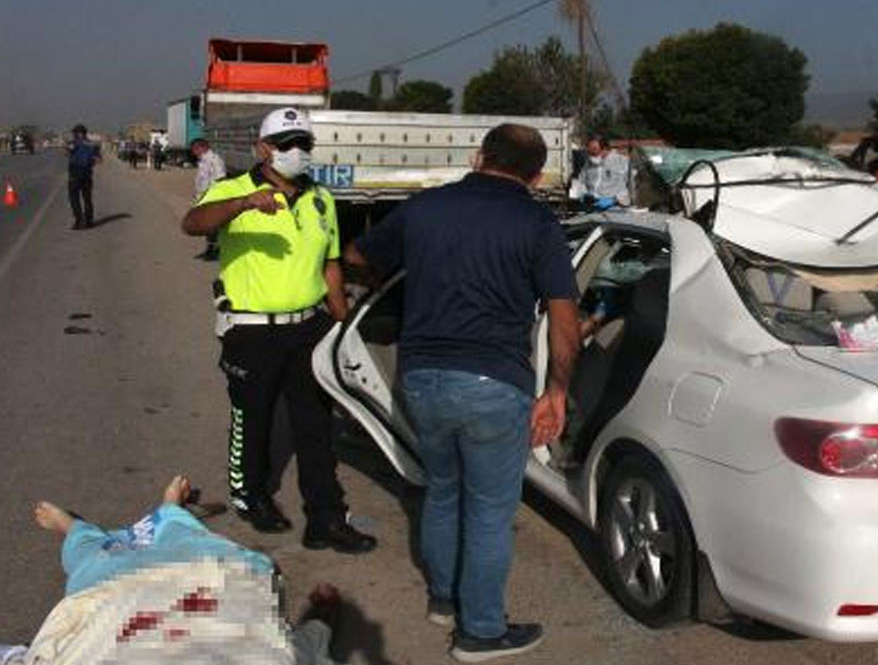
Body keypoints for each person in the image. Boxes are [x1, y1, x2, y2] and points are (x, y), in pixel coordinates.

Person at [345, 123, 580, 661]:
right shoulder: (538, 223)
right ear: (536, 175)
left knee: (442, 492)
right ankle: (480, 631)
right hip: (494, 384)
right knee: (490, 512)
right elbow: (565, 319)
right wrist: (557, 391)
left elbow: (357, 255)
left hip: (422, 377)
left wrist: (408, 275)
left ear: (479, 157)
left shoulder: (424, 210)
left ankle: (443, 600)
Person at [180, 107, 375, 554]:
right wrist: (245, 204)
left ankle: (325, 517)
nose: (297, 152)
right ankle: (250, 496)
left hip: (310, 327)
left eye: (304, 143)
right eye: (287, 143)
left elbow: (330, 263)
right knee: (254, 419)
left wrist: (343, 321)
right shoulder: (233, 189)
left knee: (314, 425)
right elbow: (192, 224)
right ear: (263, 149)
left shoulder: (321, 198)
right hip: (251, 330)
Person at [4, 475, 351, 664]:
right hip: (208, 578)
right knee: (98, 558)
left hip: (186, 582)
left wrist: (321, 621)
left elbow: (297, 650)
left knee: (94, 558)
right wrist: (321, 622)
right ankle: (168, 512)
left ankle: (78, 527)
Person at [569, 134, 631, 209]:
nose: (591, 156)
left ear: (605, 149)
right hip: (592, 207)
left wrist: (614, 200)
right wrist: (582, 194)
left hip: (615, 208)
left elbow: (630, 189)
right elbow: (581, 181)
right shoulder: (588, 164)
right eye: (589, 152)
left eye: (594, 152)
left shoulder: (620, 162)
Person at [191, 138, 228, 261]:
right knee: (208, 227)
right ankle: (210, 249)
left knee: (212, 226)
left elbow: (221, 180)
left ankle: (214, 250)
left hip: (212, 198)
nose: (194, 153)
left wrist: (214, 198)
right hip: (203, 198)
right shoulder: (204, 160)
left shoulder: (214, 160)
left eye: (195, 150)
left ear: (201, 147)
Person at [65, 124, 100, 230]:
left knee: (74, 198)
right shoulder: (93, 145)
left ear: (77, 133)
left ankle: (79, 221)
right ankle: (89, 221)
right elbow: (99, 160)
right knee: (87, 198)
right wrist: (90, 162)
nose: (73, 135)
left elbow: (66, 154)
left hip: (75, 174)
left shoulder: (73, 143)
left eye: (74, 133)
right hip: (87, 174)